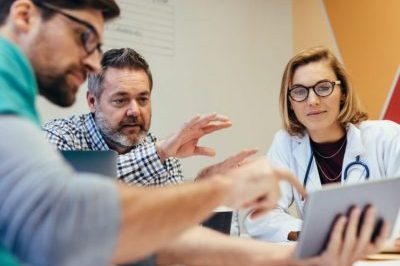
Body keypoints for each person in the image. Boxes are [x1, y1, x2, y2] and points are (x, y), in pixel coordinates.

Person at [0, 2, 388, 266]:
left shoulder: (19, 99)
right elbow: (72, 218)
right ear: (23, 16)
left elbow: (159, 234)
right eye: (84, 37)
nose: (89, 59)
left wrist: (293, 256)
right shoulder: (31, 111)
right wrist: (219, 191)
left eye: (143, 98)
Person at [245, 46, 400, 243]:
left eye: (324, 87)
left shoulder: (386, 137)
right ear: (290, 102)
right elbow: (260, 215)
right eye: (299, 91)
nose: (312, 101)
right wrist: (313, 233)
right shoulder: (285, 143)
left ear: (342, 92)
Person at [42, 47, 248, 187]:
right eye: (120, 100)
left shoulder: (162, 151)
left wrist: (204, 185)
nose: (135, 111)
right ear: (92, 101)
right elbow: (71, 198)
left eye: (142, 99)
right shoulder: (59, 137)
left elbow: (170, 222)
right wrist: (158, 153)